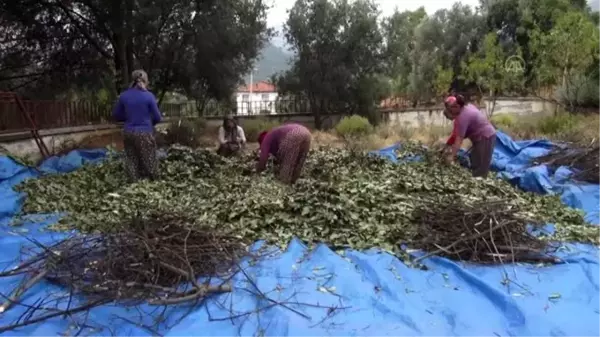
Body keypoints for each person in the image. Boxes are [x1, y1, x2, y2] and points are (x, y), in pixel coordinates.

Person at [112, 69, 162, 182]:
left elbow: (116, 115)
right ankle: (155, 183)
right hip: (144, 132)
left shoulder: (124, 96)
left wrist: (129, 119)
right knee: (150, 160)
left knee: (132, 159)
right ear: (145, 80)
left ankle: (133, 184)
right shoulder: (149, 96)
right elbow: (157, 117)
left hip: (128, 132)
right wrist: (149, 123)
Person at [443, 95, 496, 177]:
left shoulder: (462, 117)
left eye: (450, 110)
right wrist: (447, 145)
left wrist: (452, 156)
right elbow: (456, 134)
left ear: (456, 106)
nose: (450, 112)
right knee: (475, 160)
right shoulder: (467, 107)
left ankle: (479, 183)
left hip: (486, 137)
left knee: (480, 166)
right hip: (480, 138)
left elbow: (459, 139)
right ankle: (476, 180)